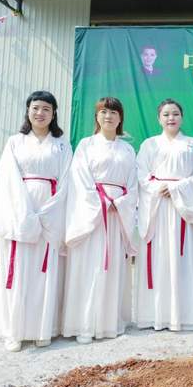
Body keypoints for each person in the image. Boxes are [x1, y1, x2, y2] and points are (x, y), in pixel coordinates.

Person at [0, 91, 72, 352]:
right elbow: (8, 180)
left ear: (54, 113)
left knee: (43, 271)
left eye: (46, 108)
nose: (40, 113)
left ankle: (42, 329)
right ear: (28, 110)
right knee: (18, 270)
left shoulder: (61, 144)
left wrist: (47, 212)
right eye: (35, 107)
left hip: (50, 212)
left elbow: (66, 181)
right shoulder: (15, 142)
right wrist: (25, 213)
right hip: (19, 211)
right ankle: (14, 331)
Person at [62, 97, 138, 344]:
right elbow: (80, 179)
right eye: (104, 112)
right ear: (97, 116)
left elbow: (133, 184)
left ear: (120, 117)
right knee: (90, 265)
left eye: (114, 112)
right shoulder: (86, 145)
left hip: (117, 215)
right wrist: (102, 202)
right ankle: (84, 325)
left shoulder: (127, 149)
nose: (109, 116)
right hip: (93, 215)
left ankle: (109, 323)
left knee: (112, 266)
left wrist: (121, 203)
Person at [135, 99, 193, 331]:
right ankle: (156, 315)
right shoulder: (149, 144)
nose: (171, 118)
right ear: (159, 118)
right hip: (158, 207)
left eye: (176, 113)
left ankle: (186, 315)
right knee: (159, 257)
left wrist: (177, 188)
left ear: (182, 117)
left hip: (182, 209)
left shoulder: (192, 144)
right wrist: (159, 188)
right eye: (166, 114)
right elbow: (141, 175)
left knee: (183, 258)